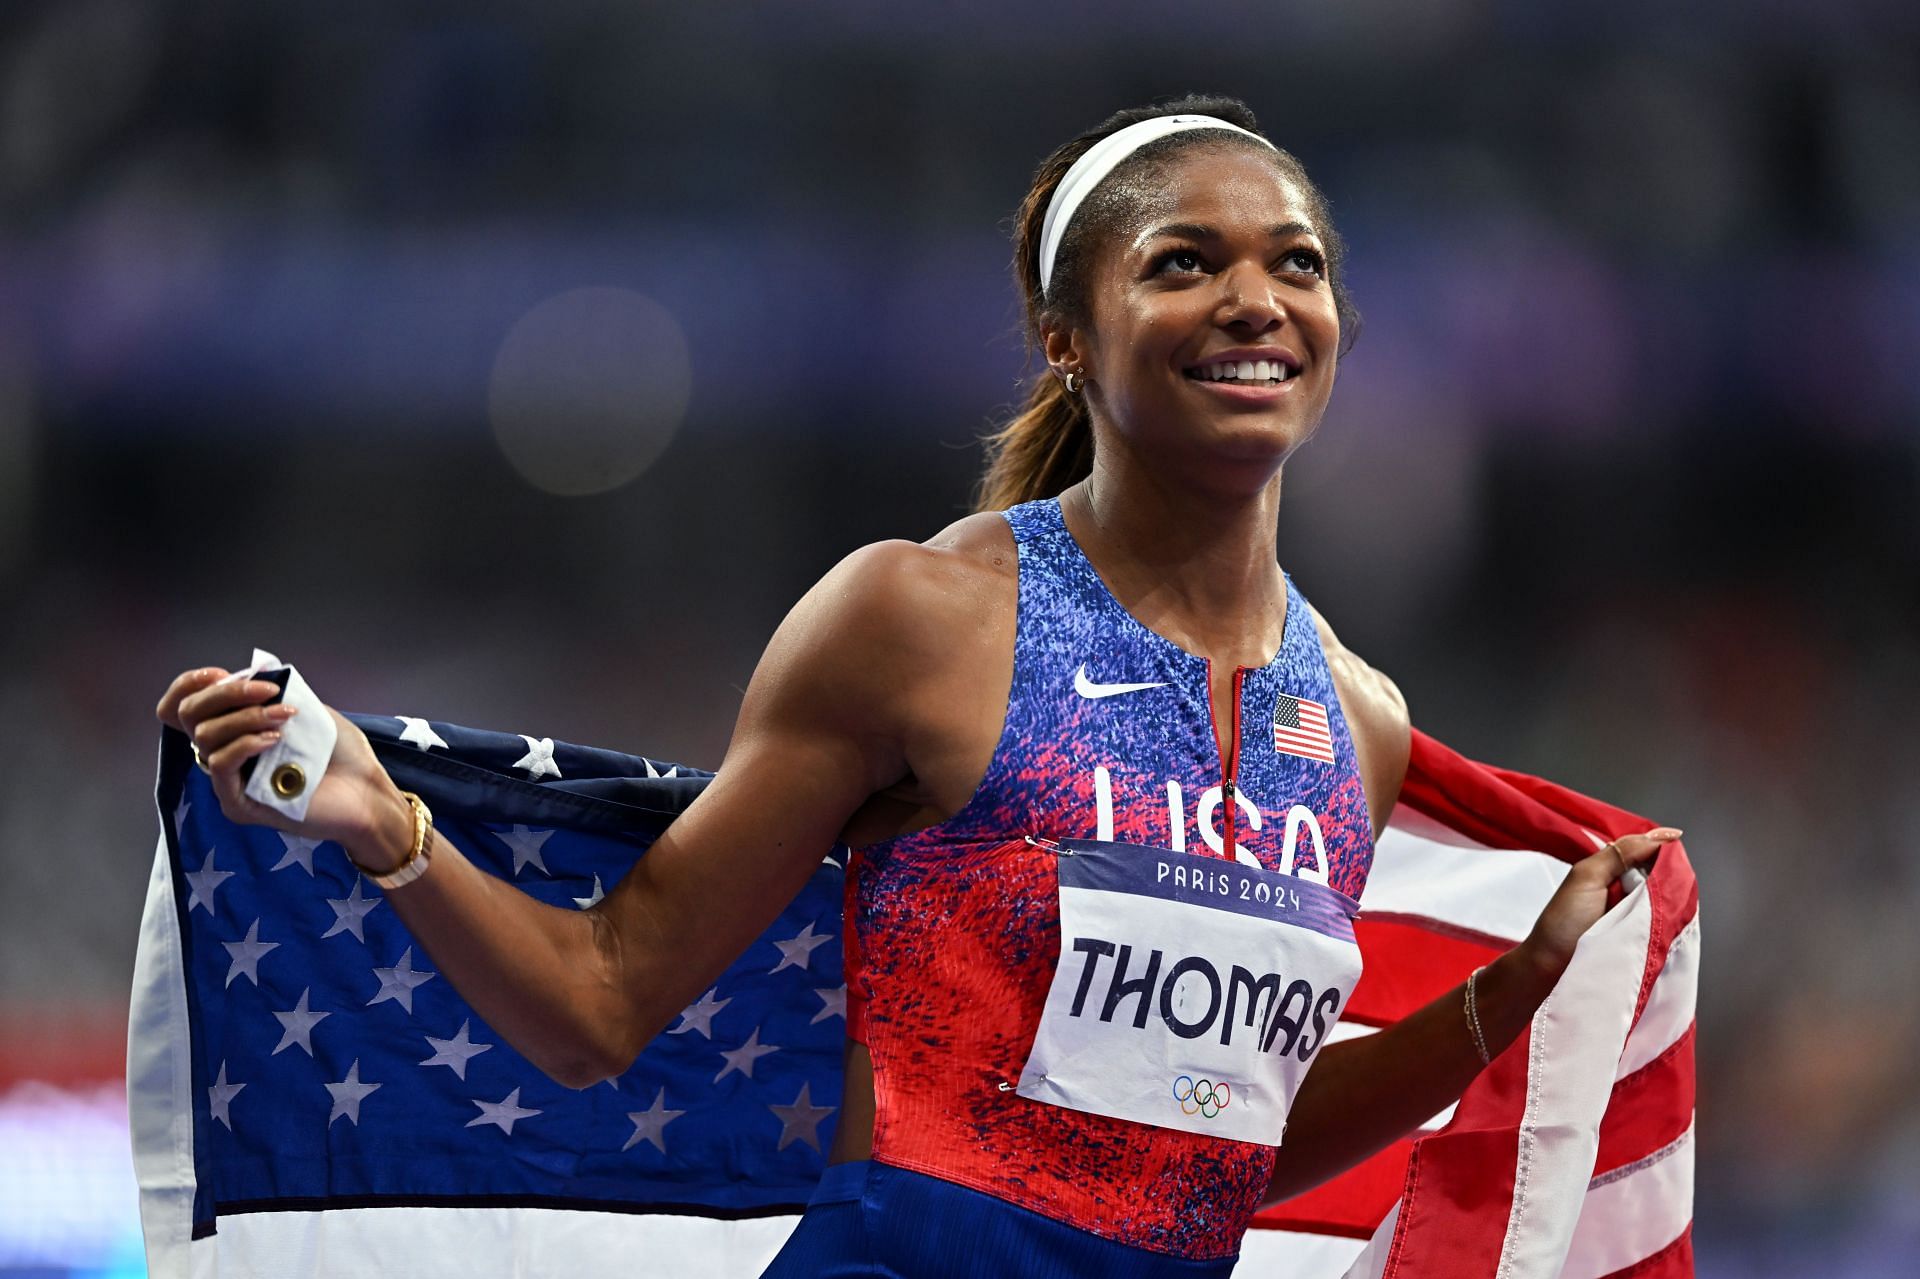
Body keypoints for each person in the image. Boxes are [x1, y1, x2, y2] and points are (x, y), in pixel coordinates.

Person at [156, 96, 1677, 1277]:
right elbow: (601, 1004)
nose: (1257, 300)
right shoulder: (926, 618)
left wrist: (1506, 996)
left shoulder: (1357, 720)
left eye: (1300, 262)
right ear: (1065, 337)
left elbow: (1215, 1148)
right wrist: (387, 825)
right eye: (1184, 262)